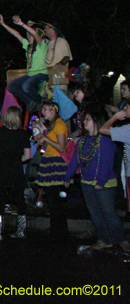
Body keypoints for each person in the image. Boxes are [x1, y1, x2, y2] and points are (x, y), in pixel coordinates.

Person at [66, 107, 130, 252]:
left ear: (96, 122)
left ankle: (121, 239)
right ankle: (104, 239)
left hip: (104, 184)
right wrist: (68, 176)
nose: (84, 122)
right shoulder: (82, 141)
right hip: (87, 183)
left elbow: (106, 163)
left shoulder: (105, 141)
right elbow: (76, 159)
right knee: (95, 214)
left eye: (88, 119)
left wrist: (100, 182)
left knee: (109, 213)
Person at [0, 107, 31, 240]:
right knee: (19, 199)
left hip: (1, 168)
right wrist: (17, 160)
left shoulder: (0, 131)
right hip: (16, 169)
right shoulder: (23, 134)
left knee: (0, 199)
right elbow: (27, 155)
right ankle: (21, 230)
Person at [33, 100, 69, 238]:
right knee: (52, 199)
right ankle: (57, 230)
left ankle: (59, 232)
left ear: (53, 111)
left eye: (45, 109)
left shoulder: (59, 123)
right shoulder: (54, 124)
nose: (43, 112)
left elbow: (61, 146)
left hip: (55, 163)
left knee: (54, 200)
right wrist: (42, 137)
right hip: (49, 161)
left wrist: (45, 138)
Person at [0, 15, 48, 110]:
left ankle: (40, 102)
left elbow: (34, 33)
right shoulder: (28, 46)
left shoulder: (41, 46)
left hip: (41, 74)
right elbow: (16, 34)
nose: (28, 36)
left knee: (26, 86)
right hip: (31, 75)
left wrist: (22, 24)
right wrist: (3, 24)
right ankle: (30, 102)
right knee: (11, 86)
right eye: (28, 35)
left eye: (30, 35)